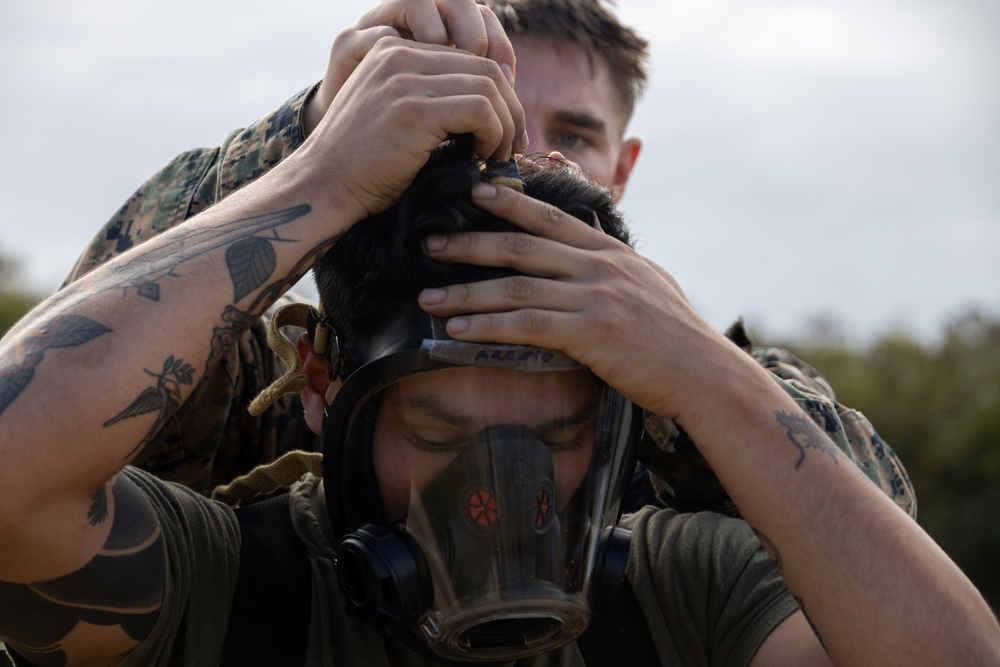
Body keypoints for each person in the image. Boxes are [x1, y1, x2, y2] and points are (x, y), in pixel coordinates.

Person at [2, 32, 998, 663]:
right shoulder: (233, 581)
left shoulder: (688, 567)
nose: (496, 493)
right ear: (321, 386)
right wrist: (317, 167)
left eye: (563, 428)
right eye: (437, 422)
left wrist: (699, 370)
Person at [61, 0, 915, 519]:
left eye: (573, 133)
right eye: (471, 102)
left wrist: (674, 372)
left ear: (623, 168)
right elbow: (61, 376)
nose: (517, 148)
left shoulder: (717, 386)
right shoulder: (292, 376)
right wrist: (309, 138)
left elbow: (878, 550)